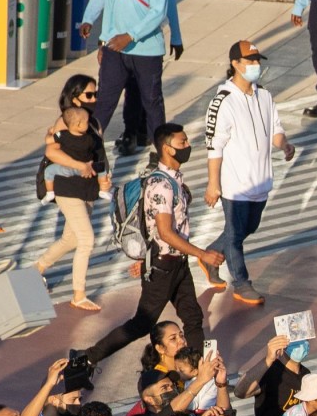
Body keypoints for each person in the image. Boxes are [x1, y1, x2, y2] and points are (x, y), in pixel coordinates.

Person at [82, 124, 222, 369]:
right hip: (163, 267)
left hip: (176, 263)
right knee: (142, 323)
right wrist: (203, 254)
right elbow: (165, 233)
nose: (188, 146)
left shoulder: (173, 179)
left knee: (193, 317)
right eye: (183, 143)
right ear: (167, 149)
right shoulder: (161, 186)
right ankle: (87, 358)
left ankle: (200, 372)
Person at [203, 41, 292, 306]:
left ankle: (211, 253)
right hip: (235, 185)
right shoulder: (223, 102)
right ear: (235, 64)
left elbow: (275, 128)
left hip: (260, 181)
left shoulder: (264, 96)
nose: (255, 66)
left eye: (257, 61)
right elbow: (214, 146)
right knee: (235, 235)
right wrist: (213, 184)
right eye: (250, 61)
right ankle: (241, 282)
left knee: (244, 229)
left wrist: (284, 144)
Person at [79, 0, 182, 155]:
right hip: (114, 49)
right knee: (105, 101)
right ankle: (87, 150)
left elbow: (160, 10)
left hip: (146, 51)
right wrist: (88, 19)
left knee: (151, 101)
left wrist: (174, 35)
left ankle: (158, 153)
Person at [37, 100, 111, 310]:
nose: (94, 98)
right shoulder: (64, 125)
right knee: (86, 240)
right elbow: (51, 151)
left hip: (87, 191)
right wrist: (80, 166)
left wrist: (105, 179)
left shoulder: (92, 128)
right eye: (88, 94)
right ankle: (79, 294)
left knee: (70, 239)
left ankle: (37, 268)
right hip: (67, 191)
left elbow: (100, 158)